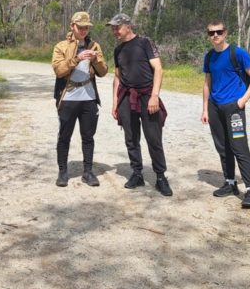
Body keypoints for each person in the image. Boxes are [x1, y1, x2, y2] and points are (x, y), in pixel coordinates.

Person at [107, 13, 172, 196]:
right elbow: (117, 77)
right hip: (127, 97)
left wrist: (154, 96)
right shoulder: (118, 50)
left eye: (117, 27)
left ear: (128, 26)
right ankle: (137, 174)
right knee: (131, 138)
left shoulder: (145, 43)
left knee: (153, 138)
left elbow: (158, 69)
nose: (114, 31)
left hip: (147, 95)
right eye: (112, 28)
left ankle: (160, 177)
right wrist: (115, 103)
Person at [200, 20, 250, 208]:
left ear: (225, 33)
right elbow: (207, 82)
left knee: (239, 147)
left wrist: (242, 101)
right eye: (211, 33)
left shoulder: (238, 53)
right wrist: (205, 108)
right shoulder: (209, 56)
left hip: (234, 107)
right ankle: (230, 183)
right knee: (222, 147)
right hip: (215, 107)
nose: (215, 36)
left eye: (219, 32)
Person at [52, 11, 108, 187]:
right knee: (64, 136)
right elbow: (59, 71)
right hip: (68, 97)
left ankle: (88, 172)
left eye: (86, 27)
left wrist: (96, 59)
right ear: (72, 26)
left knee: (88, 136)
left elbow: (103, 72)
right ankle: (62, 172)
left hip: (88, 97)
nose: (84, 30)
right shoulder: (60, 46)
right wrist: (77, 58)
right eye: (80, 27)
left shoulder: (94, 45)